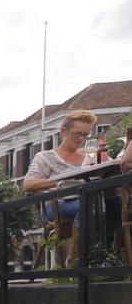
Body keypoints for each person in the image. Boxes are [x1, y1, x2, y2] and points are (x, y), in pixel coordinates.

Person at [24, 109, 98, 265]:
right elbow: (28, 184)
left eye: (86, 134)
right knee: (87, 204)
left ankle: (118, 255)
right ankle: (74, 259)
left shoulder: (90, 154)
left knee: (121, 203)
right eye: (77, 134)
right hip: (56, 205)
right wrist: (60, 181)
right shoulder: (46, 157)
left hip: (89, 198)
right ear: (63, 132)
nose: (81, 138)